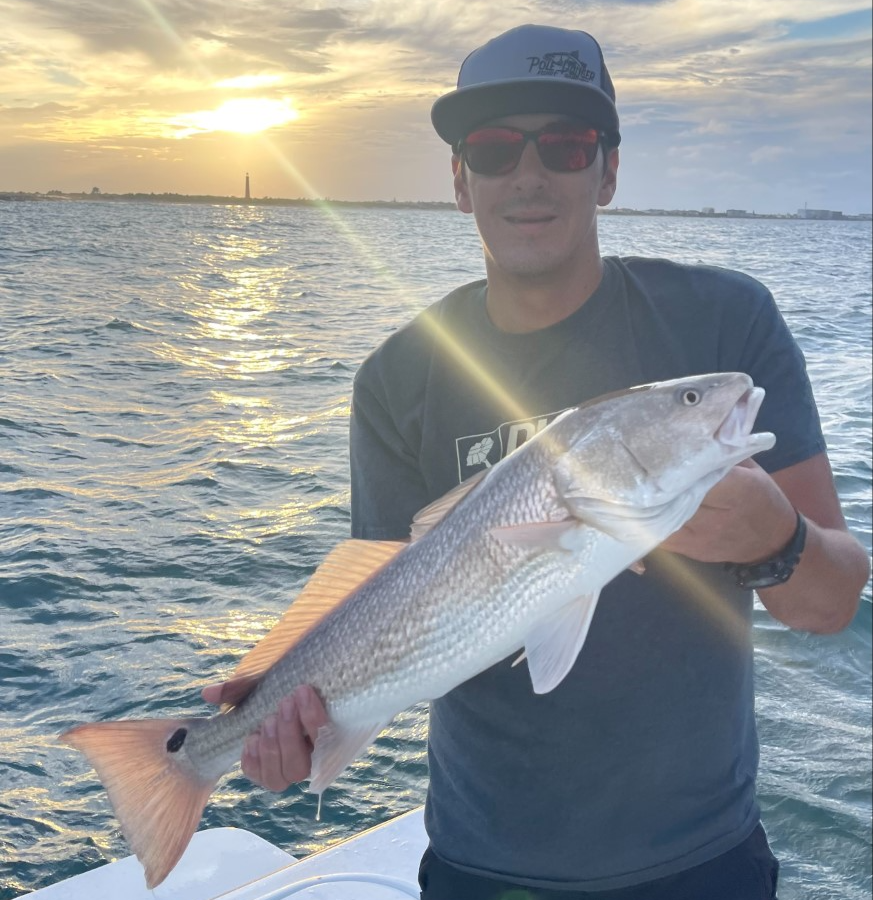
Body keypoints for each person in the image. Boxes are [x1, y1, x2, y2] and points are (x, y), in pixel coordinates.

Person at [204, 24, 869, 899]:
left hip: (701, 859)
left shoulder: (722, 321)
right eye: (491, 147)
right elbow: (376, 594)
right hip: (485, 865)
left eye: (563, 145)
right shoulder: (397, 377)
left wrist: (775, 541)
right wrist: (279, 730)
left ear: (608, 170)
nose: (527, 175)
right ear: (458, 179)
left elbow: (829, 602)